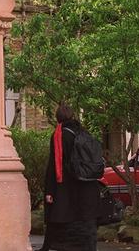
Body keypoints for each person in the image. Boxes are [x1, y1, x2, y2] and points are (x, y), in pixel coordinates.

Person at [38, 103, 100, 251]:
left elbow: (54, 164)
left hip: (67, 183)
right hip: (87, 182)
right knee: (86, 218)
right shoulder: (83, 131)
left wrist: (49, 191)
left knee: (58, 215)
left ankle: (48, 246)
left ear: (58, 118)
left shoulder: (59, 135)